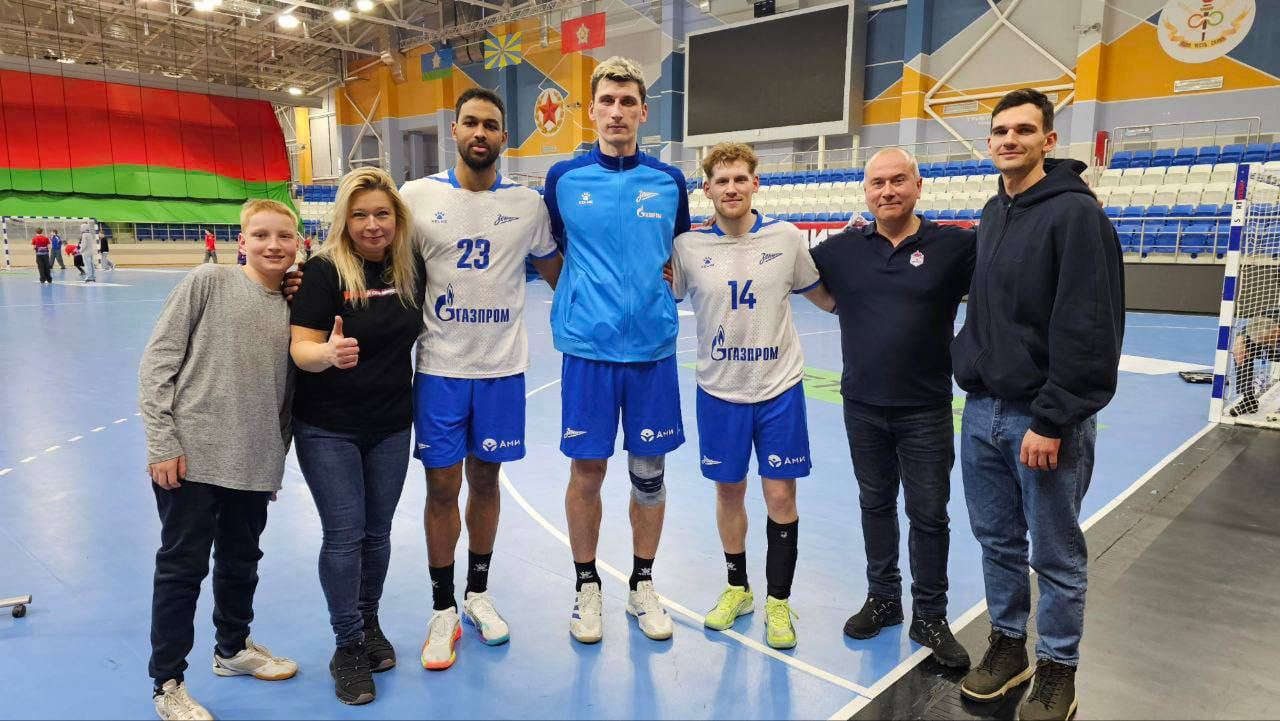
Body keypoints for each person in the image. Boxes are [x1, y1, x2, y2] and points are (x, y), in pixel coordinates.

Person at [952, 88, 1124, 721]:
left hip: (1042, 419)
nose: (1010, 140)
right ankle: (1007, 646)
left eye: (1024, 130)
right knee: (996, 540)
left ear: (1048, 141)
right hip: (982, 411)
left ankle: (1057, 668)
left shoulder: (1076, 215)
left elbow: (1089, 326)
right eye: (1000, 131)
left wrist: (1053, 418)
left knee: (1054, 552)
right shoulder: (995, 211)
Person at [399, 88, 563, 668]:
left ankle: (477, 593)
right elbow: (378, 261)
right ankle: (442, 607)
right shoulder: (415, 197)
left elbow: (561, 274)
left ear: (503, 138)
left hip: (501, 371)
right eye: (470, 122)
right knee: (442, 488)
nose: (479, 133)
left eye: (490, 125)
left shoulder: (528, 205)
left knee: (487, 483)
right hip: (440, 370)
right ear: (455, 130)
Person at [542, 56, 691, 644]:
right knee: (587, 472)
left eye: (628, 102)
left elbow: (678, 253)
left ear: (643, 112)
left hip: (652, 353)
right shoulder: (564, 179)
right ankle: (587, 586)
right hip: (588, 353)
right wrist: (584, 301)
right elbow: (554, 250)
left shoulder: (669, 182)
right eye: (607, 100)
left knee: (649, 476)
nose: (617, 111)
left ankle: (641, 584)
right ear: (592, 109)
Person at [810, 147, 975, 669]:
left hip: (926, 408)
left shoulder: (955, 246)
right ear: (866, 192)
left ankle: (930, 614)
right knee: (875, 504)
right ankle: (883, 598)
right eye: (877, 183)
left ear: (918, 186)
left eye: (898, 180)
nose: (887, 191)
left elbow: (1006, 281)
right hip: (861, 404)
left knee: (929, 515)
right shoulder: (842, 250)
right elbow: (788, 271)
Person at [138, 199, 302, 721]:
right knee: (182, 569)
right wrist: (163, 441)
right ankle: (168, 682)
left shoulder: (295, 307)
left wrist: (275, 458)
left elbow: (287, 394)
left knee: (241, 562)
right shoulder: (209, 281)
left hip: (254, 460)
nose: (273, 245)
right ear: (241, 242)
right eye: (261, 235)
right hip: (191, 459)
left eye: (284, 236)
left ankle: (232, 649)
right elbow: (158, 361)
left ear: (298, 243)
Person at [669, 142, 833, 649]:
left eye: (740, 178)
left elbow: (825, 298)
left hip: (779, 388)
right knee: (729, 491)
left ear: (756, 183)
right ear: (707, 189)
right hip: (719, 391)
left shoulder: (786, 239)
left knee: (780, 495)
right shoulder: (687, 247)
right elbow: (664, 293)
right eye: (722, 181)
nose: (732, 188)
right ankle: (738, 589)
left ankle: (779, 601)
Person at [289, 167, 425, 705]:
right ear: (345, 220)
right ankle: (346, 645)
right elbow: (301, 348)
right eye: (360, 215)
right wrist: (327, 353)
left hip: (391, 425)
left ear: (397, 218)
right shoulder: (324, 271)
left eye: (382, 214)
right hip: (329, 428)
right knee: (344, 535)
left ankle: (368, 623)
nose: (372, 225)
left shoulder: (410, 267)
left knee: (377, 534)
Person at [1229, 306, 1280, 416]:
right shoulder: (1270, 313)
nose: (1264, 342)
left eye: (1265, 340)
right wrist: (1240, 338)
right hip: (1274, 347)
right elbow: (1249, 327)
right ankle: (1249, 401)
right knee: (1242, 350)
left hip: (1277, 344)